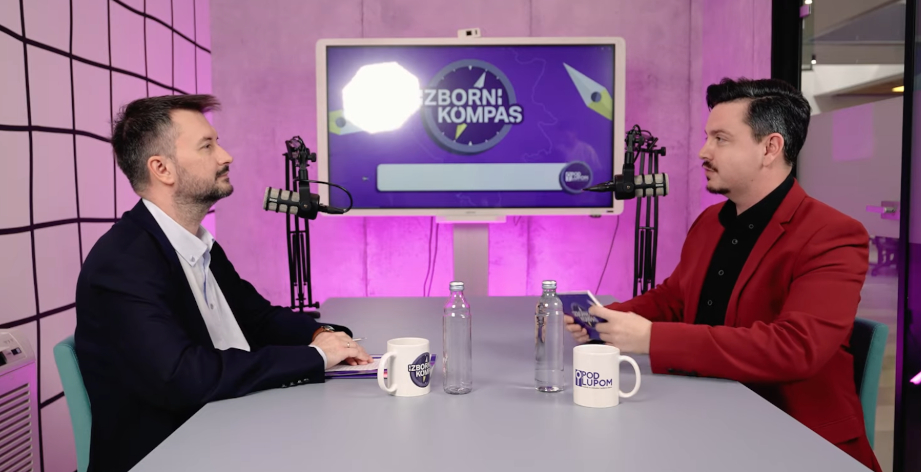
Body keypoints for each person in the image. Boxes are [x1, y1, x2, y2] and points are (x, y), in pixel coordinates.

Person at [566, 78, 882, 472]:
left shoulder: (833, 234)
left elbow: (797, 348)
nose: (704, 151)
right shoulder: (709, 221)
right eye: (707, 137)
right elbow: (674, 298)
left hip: (793, 438)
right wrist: (605, 317)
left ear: (770, 148)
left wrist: (650, 338)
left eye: (721, 139)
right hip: (708, 415)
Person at [74, 94, 372, 472]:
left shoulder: (197, 242)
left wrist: (323, 335)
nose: (226, 156)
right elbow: (182, 376)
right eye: (207, 146)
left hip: (231, 425)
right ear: (162, 169)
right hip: (174, 454)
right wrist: (315, 357)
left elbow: (259, 318)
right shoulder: (122, 264)